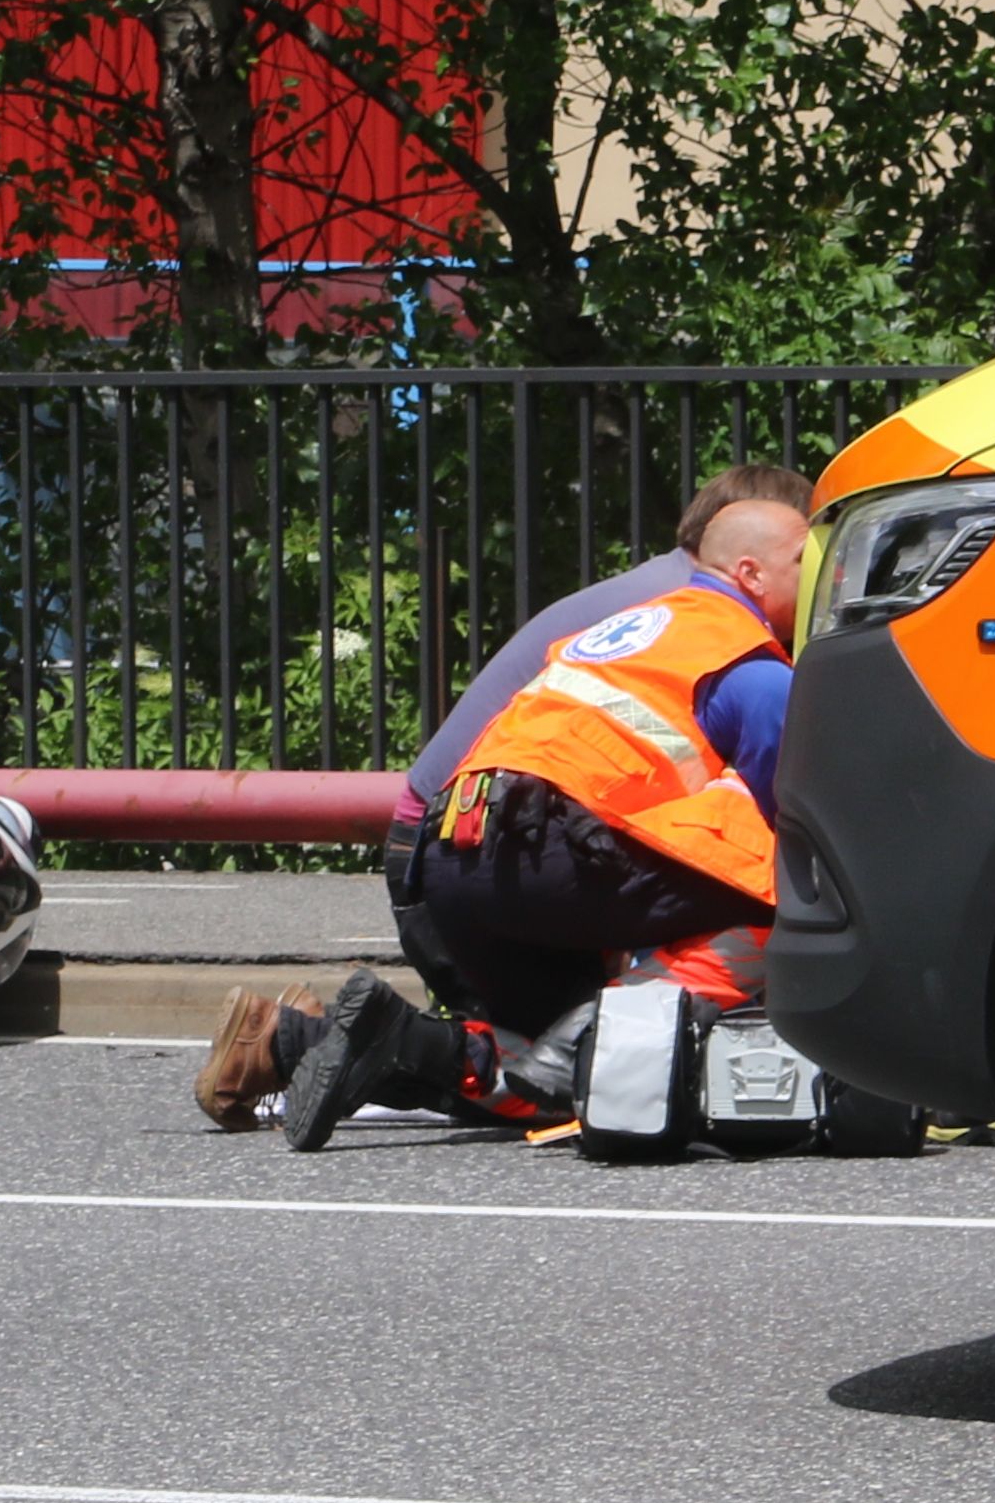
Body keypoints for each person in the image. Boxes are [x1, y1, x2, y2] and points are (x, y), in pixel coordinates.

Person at [191, 462, 813, 1128]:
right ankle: (586, 1035)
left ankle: (306, 1040)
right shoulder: (735, 644)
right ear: (748, 569)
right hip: (542, 852)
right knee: (785, 900)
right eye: (810, 556)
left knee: (553, 1083)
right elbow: (801, 808)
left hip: (450, 847)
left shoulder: (650, 604)